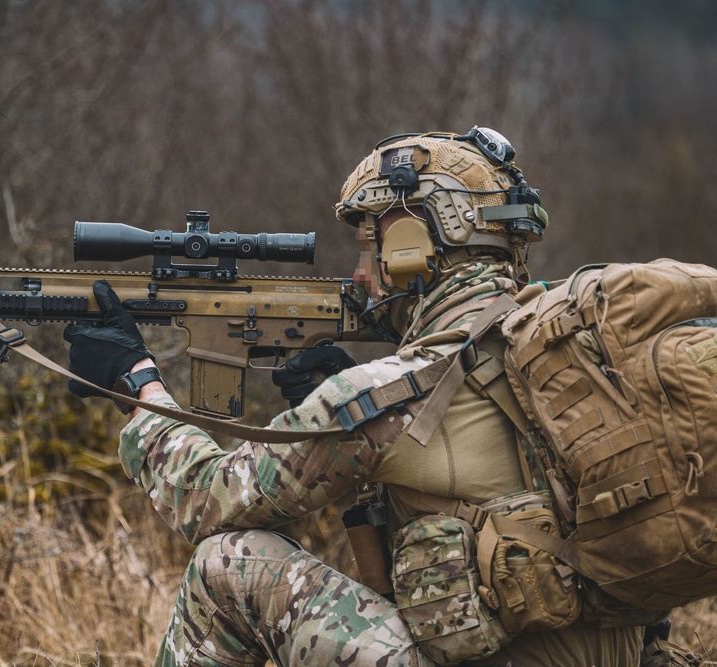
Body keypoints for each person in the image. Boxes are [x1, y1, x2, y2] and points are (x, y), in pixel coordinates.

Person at [63, 129, 647, 666]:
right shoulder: (583, 351)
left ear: (414, 248)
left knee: (231, 563)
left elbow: (207, 498)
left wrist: (140, 384)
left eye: (372, 246)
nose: (360, 275)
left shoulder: (390, 394)